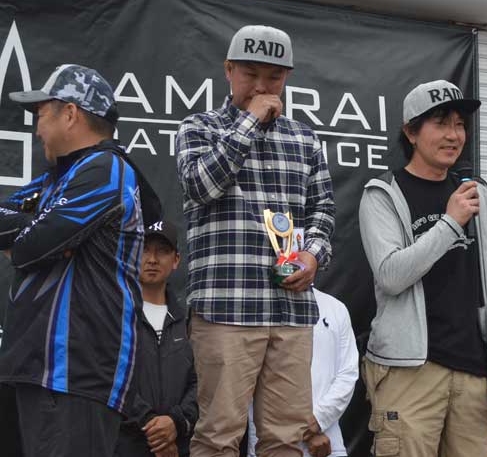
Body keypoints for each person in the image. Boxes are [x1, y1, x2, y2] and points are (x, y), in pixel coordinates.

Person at [176, 25, 335, 457]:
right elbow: (200, 185)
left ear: (287, 78)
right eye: (251, 74)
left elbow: (323, 210)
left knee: (285, 438)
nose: (263, 87)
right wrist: (248, 122)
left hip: (291, 310)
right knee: (217, 436)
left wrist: (312, 255)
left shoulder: (304, 138)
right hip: (226, 308)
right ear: (228, 70)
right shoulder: (199, 127)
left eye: (274, 77)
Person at [0, 64, 160, 456]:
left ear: (70, 113)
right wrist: (41, 229)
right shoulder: (55, 179)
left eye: (41, 115)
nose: (37, 129)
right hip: (40, 370)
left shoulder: (106, 169)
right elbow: (27, 232)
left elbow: (31, 247)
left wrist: (35, 233)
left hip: (75, 371)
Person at [358, 79, 487, 457]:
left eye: (459, 124)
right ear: (411, 132)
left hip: (471, 369)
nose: (453, 135)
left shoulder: (474, 191)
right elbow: (391, 276)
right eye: (441, 123)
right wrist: (449, 223)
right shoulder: (383, 193)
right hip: (408, 370)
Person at [116, 220, 197, 457]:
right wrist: (155, 430)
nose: (152, 259)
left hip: (179, 447)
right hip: (125, 445)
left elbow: (201, 382)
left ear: (176, 260)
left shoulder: (188, 320)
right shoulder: (117, 315)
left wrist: (176, 423)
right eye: (144, 250)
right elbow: (111, 377)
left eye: (162, 251)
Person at [247, 287, 358, 457]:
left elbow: (347, 374)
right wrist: (305, 431)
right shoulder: (254, 306)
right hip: (269, 443)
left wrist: (318, 420)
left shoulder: (335, 307)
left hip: (328, 442)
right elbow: (248, 376)